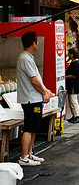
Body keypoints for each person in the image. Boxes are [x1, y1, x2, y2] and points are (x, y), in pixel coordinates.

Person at [17, 31, 53, 166]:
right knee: (29, 127)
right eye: (37, 41)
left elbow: (36, 79)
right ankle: (23, 157)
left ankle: (30, 153)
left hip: (33, 98)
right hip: (30, 99)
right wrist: (44, 92)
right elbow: (34, 81)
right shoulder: (25, 59)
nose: (38, 43)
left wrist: (45, 90)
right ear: (33, 43)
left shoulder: (27, 57)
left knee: (33, 127)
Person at [66, 48, 79, 123]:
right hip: (71, 84)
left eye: (69, 53)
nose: (68, 55)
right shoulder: (73, 62)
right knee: (71, 100)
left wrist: (65, 77)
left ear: (72, 54)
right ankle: (74, 115)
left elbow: (74, 75)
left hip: (74, 84)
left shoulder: (76, 63)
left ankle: (77, 115)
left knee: (73, 100)